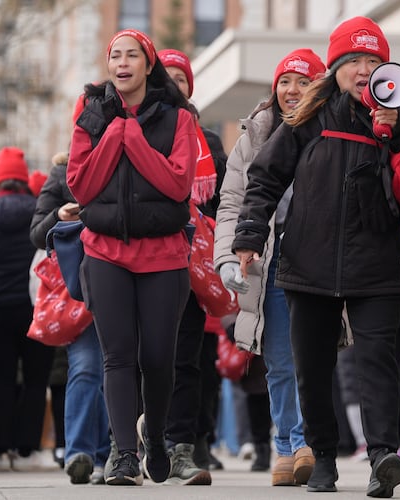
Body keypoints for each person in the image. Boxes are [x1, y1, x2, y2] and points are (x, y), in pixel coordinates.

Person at [230, 16, 400, 497]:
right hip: (309, 262)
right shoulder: (310, 118)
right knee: (313, 366)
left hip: (378, 265)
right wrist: (247, 235)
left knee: (376, 363)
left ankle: (381, 457)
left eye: (375, 61)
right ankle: (322, 458)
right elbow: (265, 178)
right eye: (356, 61)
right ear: (338, 68)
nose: (366, 69)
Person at [67, 29, 197, 486]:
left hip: (163, 254)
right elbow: (81, 186)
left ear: (147, 64)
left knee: (159, 358)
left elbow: (178, 185)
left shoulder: (178, 117)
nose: (121, 63)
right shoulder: (90, 113)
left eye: (131, 56)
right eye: (114, 56)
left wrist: (134, 140)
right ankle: (123, 454)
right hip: (105, 251)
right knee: (116, 357)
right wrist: (114, 135)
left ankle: (155, 438)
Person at [214, 47, 326, 486]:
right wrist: (227, 256)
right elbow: (232, 203)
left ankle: (313, 441)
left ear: (319, 86)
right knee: (279, 357)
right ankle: (289, 445)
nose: (292, 91)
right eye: (284, 81)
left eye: (302, 81)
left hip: (320, 259)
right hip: (272, 259)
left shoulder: (333, 130)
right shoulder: (255, 134)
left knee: (313, 359)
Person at [154, 48, 226, 486]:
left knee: (188, 359)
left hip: (190, 260)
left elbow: (219, 202)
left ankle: (183, 444)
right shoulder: (137, 126)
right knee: (144, 355)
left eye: (182, 79)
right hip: (143, 257)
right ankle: (139, 441)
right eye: (168, 76)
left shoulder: (208, 141)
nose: (174, 85)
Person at [29, 151, 110, 484]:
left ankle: (111, 454)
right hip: (79, 286)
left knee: (114, 369)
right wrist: (59, 217)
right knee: (87, 366)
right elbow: (37, 232)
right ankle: (80, 452)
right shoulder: (62, 171)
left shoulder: (128, 156)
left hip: (123, 274)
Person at [0, 146, 57, 472]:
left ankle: (0, 445)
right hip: (36, 308)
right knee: (36, 380)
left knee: (2, 379)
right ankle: (26, 448)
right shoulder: (39, 211)